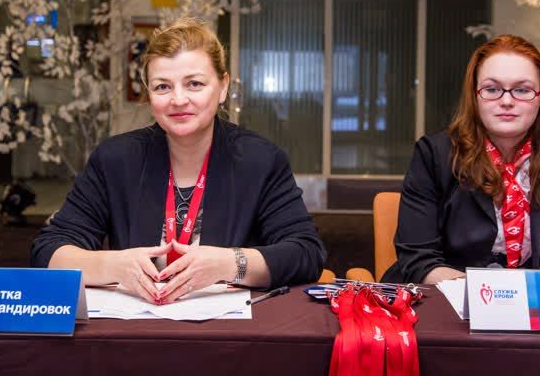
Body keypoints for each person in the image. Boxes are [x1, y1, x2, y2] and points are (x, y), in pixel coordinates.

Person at [31, 19, 326, 303]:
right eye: (163, 87)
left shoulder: (260, 161)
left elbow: (306, 253)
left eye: (194, 84)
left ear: (223, 86)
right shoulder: (115, 159)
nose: (178, 99)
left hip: (226, 329)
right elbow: (48, 251)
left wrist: (229, 264)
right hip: (137, 324)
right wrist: (113, 265)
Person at [382, 34, 540, 285]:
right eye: (492, 89)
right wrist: (488, 297)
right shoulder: (434, 153)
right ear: (475, 96)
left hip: (534, 296)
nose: (507, 101)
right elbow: (418, 259)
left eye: (522, 90)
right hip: (448, 293)